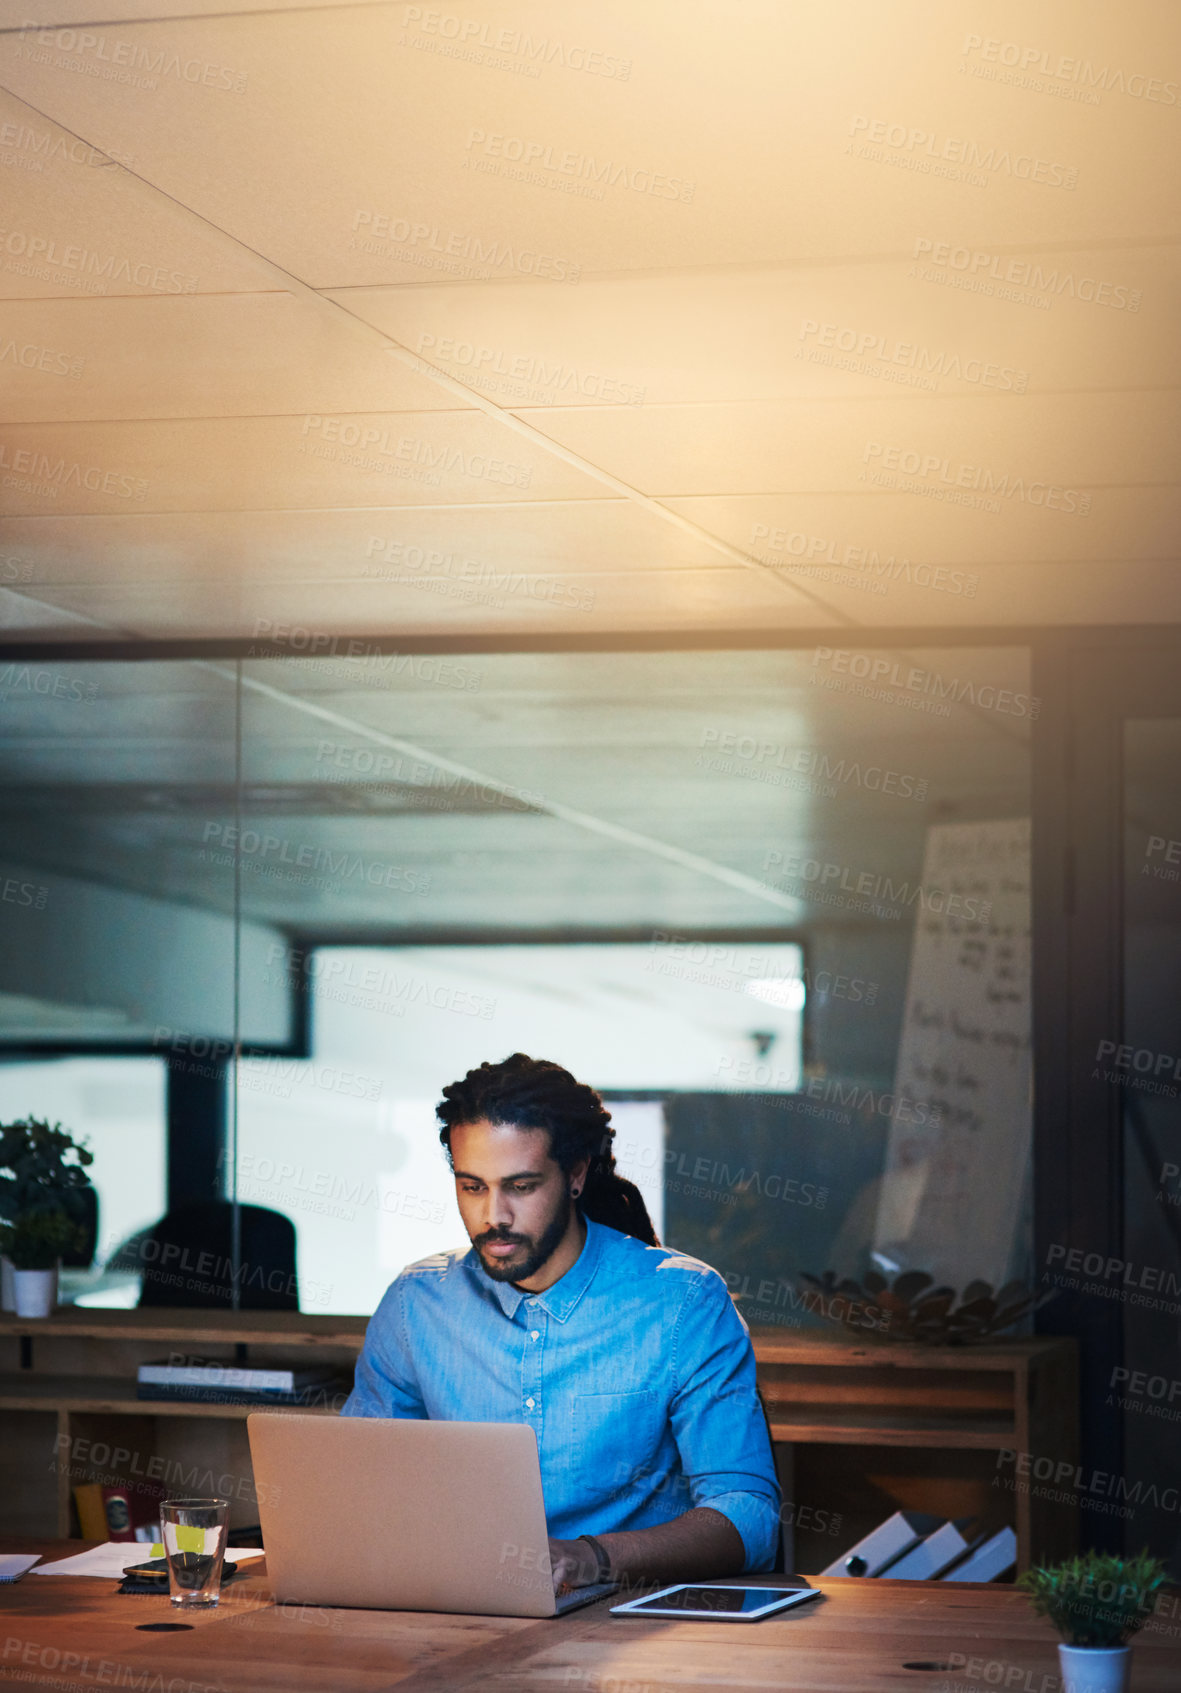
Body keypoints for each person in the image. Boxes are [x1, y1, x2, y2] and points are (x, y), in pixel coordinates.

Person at [343, 1053, 781, 1594]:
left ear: (574, 1175)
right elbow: (362, 1490)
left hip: (631, 1624)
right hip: (462, 1614)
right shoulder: (416, 1306)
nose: (494, 1217)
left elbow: (749, 1517)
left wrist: (590, 1558)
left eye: (521, 1187)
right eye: (472, 1187)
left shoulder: (683, 1304)